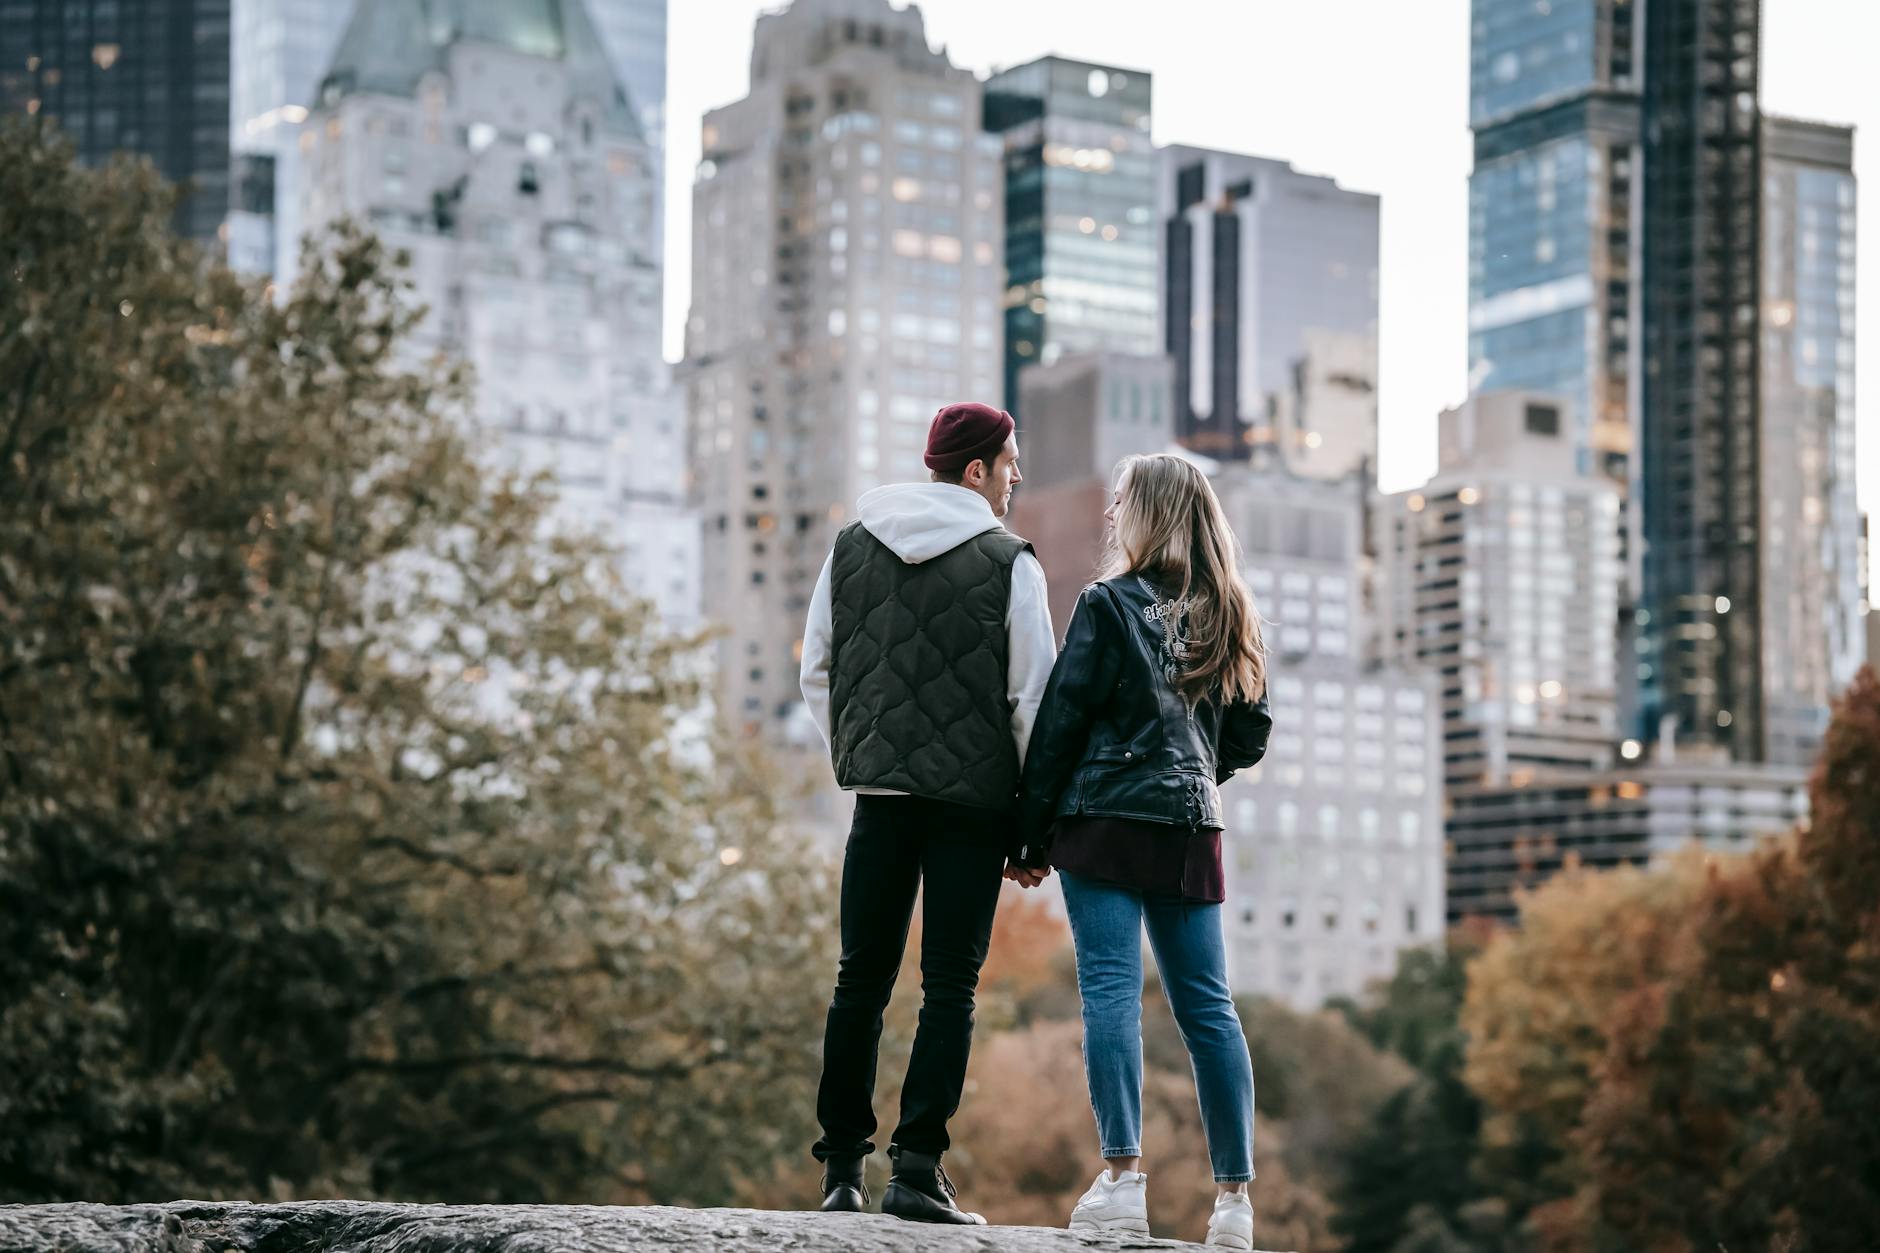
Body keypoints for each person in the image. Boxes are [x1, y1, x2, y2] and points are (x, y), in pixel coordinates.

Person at [798, 401, 1056, 1225]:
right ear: (976, 470)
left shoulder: (853, 544)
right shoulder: (1010, 562)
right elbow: (1033, 702)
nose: (1017, 478)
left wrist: (861, 756)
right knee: (950, 986)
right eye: (1011, 463)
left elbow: (817, 669)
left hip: (879, 802)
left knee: (858, 980)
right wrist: (1029, 823)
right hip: (972, 812)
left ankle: (841, 1170)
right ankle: (917, 1169)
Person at [1009, 452, 1273, 1250]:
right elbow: (1252, 733)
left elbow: (1060, 722)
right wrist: (1192, 768)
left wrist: (1028, 831)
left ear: (1149, 511)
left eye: (1123, 501)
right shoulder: (1231, 610)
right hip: (1193, 823)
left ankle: (1123, 1180)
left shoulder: (1106, 603)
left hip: (1105, 820)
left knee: (1111, 996)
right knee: (1208, 1010)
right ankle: (1233, 1202)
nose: (1114, 513)